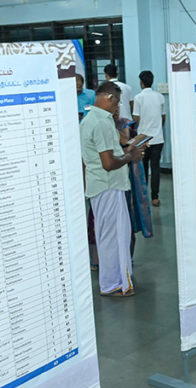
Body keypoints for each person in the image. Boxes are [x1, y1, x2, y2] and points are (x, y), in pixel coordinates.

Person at [80, 81, 142, 297]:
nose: (117, 107)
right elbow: (108, 163)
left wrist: (126, 150)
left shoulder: (90, 119)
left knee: (111, 235)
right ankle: (111, 284)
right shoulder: (102, 122)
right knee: (112, 237)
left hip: (101, 185)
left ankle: (116, 280)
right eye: (117, 102)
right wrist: (130, 156)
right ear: (109, 98)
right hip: (108, 186)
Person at [132, 70, 165, 206]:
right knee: (155, 167)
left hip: (143, 140)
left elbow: (136, 118)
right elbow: (163, 117)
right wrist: (156, 129)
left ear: (141, 82)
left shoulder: (138, 98)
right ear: (152, 81)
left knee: (143, 168)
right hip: (158, 138)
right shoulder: (160, 97)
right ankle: (155, 197)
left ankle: (144, 196)